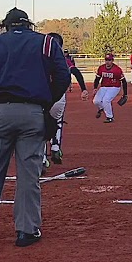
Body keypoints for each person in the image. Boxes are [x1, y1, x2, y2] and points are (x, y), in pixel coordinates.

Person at [0, 8, 70, 247]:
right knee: (29, 174)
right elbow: (63, 78)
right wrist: (45, 101)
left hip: (0, 112)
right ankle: (26, 230)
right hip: (33, 113)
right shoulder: (46, 43)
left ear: (6, 26)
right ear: (28, 25)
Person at [44, 37, 88, 168]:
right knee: (57, 121)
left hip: (41, 96)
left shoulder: (39, 57)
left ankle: (41, 158)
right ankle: (56, 146)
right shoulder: (63, 60)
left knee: (40, 125)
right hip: (58, 96)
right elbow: (76, 72)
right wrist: (84, 89)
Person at [92, 53, 128, 123]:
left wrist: (125, 94)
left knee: (106, 100)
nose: (107, 62)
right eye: (106, 60)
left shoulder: (117, 70)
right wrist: (95, 88)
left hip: (114, 87)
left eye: (109, 60)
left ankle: (110, 117)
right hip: (104, 87)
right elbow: (97, 79)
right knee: (96, 101)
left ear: (112, 60)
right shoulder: (101, 68)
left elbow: (124, 82)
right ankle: (102, 108)